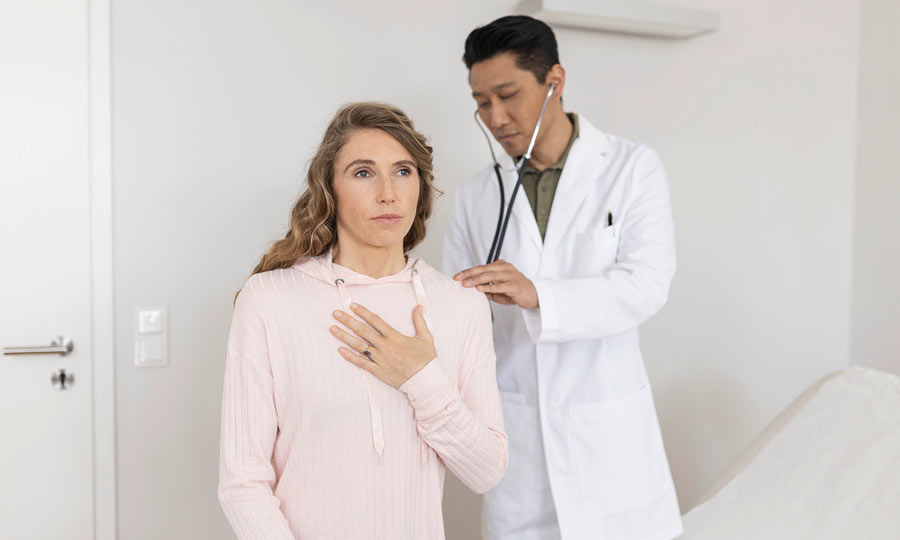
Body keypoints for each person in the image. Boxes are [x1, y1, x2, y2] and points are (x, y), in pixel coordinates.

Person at [219, 102, 508, 540]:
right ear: (329, 189)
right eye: (363, 172)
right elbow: (243, 483)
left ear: (421, 188)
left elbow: (487, 470)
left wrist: (421, 377)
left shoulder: (460, 305)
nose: (388, 193)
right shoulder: (270, 299)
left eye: (403, 171)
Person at [443, 16, 683, 540]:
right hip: (519, 435)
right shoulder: (474, 197)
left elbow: (646, 284)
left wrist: (538, 295)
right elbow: (461, 318)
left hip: (609, 438)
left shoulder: (631, 167)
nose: (496, 117)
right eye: (481, 102)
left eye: (508, 95)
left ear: (555, 80)